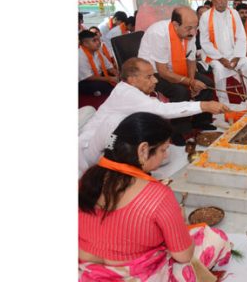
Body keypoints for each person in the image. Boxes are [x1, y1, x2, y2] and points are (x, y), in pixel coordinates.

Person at [79, 112, 232, 280]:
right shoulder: (158, 195)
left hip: (88, 271)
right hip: (138, 275)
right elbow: (183, 256)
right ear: (143, 150)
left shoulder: (85, 180)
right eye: (163, 149)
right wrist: (179, 222)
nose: (165, 155)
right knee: (215, 238)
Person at [79, 58, 230, 176]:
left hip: (111, 139)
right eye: (149, 77)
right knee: (166, 158)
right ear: (132, 79)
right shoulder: (126, 93)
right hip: (91, 154)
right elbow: (163, 110)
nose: (155, 81)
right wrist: (204, 106)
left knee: (166, 157)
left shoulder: (131, 90)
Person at [138, 6, 216, 145]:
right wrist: (189, 83)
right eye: (189, 28)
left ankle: (201, 121)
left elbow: (191, 59)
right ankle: (178, 131)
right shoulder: (159, 33)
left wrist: (192, 80)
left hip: (176, 67)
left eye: (195, 27)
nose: (193, 32)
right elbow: (163, 72)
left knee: (208, 85)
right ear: (175, 24)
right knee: (180, 92)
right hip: (153, 72)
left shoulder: (189, 32)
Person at [199, 0, 247, 109]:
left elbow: (241, 37)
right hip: (215, 56)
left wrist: (237, 57)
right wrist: (221, 59)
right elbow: (204, 42)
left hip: (234, 54)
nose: (222, 1)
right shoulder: (205, 16)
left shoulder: (234, 13)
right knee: (219, 70)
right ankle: (224, 104)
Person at [79, 30, 118, 96]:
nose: (98, 42)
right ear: (85, 43)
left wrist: (116, 73)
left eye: (98, 40)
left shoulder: (97, 51)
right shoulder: (80, 56)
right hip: (84, 81)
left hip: (98, 76)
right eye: (94, 41)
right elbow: (88, 77)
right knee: (106, 86)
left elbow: (108, 66)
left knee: (121, 77)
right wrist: (110, 78)